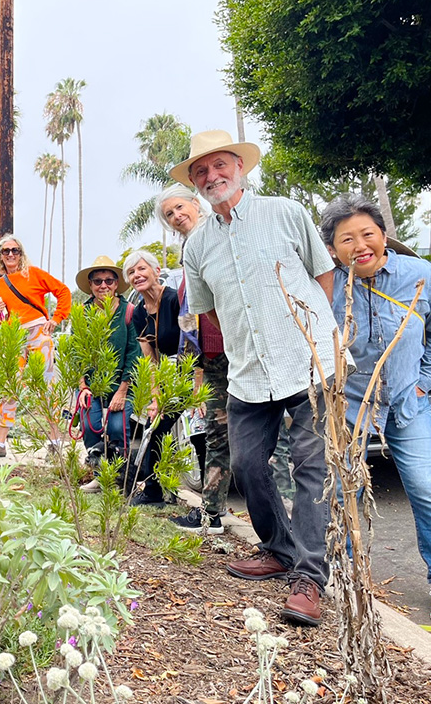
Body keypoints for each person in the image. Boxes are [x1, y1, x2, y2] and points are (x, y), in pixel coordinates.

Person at [174, 129, 340, 626]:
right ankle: (279, 548)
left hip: (308, 362)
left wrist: (313, 334)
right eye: (201, 171)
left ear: (239, 167)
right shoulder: (197, 246)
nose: (212, 176)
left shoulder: (285, 212)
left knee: (312, 469)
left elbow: (324, 274)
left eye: (219, 165)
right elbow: (210, 314)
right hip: (248, 373)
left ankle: (309, 577)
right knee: (247, 466)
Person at [321, 193, 431, 625]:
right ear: (333, 248)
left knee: (424, 488)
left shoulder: (419, 274)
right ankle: (344, 573)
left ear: (383, 235)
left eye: (367, 233)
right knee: (348, 490)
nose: (359, 245)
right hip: (349, 408)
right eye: (347, 239)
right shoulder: (328, 286)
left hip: (406, 403)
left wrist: (422, 386)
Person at [155, 184, 232, 535]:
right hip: (211, 357)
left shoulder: (219, 232)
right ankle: (212, 512)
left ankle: (289, 523)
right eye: (169, 214)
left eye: (179, 207)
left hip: (238, 348)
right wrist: (194, 364)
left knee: (258, 434)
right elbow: (190, 315)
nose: (176, 215)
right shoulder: (188, 252)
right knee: (217, 433)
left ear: (196, 205)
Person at [0, 234, 72, 459]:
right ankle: (1, 444)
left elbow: (63, 291)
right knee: (9, 386)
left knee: (47, 386)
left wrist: (57, 318)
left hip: (39, 332)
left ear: (21, 254)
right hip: (14, 336)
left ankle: (54, 442)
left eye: (15, 250)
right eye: (6, 251)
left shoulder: (34, 274)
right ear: (0, 257)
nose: (11, 254)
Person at [121, 250, 184, 506]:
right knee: (154, 427)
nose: (137, 275)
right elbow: (149, 357)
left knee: (200, 435)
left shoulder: (174, 300)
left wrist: (197, 383)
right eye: (131, 272)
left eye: (141, 269)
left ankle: (213, 503)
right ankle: (154, 490)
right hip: (166, 374)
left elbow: (193, 339)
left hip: (190, 370)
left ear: (157, 271)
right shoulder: (139, 313)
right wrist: (155, 395)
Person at [74, 256, 140, 491]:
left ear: (116, 284)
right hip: (91, 384)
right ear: (90, 285)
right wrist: (82, 386)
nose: (104, 285)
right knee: (90, 425)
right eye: (98, 281)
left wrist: (122, 391)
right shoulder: (81, 313)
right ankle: (100, 476)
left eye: (109, 280)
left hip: (122, 383)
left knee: (116, 427)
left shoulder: (129, 311)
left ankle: (120, 479)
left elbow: (134, 353)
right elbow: (76, 351)